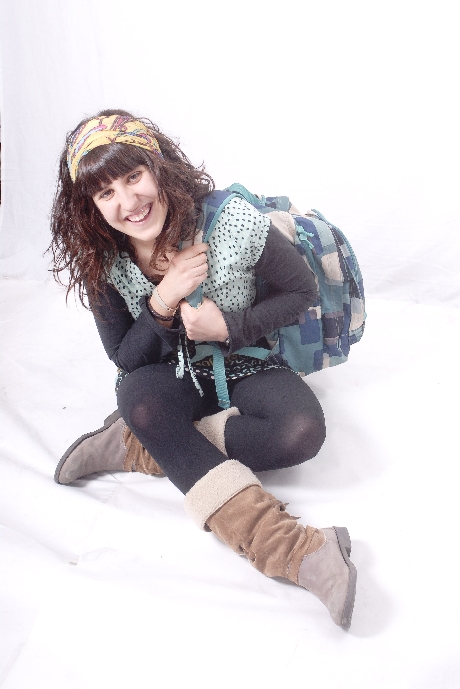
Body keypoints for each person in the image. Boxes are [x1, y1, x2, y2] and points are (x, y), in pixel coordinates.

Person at [50, 110, 357, 629]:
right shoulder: (101, 259)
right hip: (166, 377)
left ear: (158, 167)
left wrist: (228, 327)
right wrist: (163, 299)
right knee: (139, 398)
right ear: (89, 206)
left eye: (133, 176)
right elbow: (125, 358)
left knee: (301, 433)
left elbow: (300, 290)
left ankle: (139, 447)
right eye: (105, 193)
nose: (128, 202)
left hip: (245, 361)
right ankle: (296, 552)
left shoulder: (230, 220)